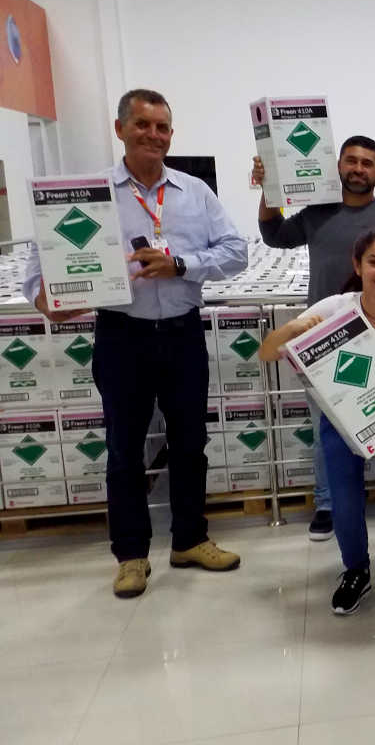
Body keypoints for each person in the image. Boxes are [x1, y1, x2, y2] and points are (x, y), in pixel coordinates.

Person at [22, 88, 248, 598]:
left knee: (191, 444)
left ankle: (190, 539)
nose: (153, 135)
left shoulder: (194, 192)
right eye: (143, 124)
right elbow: (39, 274)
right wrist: (48, 299)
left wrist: (182, 264)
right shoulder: (88, 193)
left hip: (184, 334)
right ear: (119, 128)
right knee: (125, 451)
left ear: (172, 135)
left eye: (162, 127)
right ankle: (131, 556)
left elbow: (236, 252)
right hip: (122, 337)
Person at [259, 229, 375, 614]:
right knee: (344, 497)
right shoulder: (335, 308)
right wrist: (295, 329)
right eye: (374, 262)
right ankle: (355, 570)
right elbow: (267, 352)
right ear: (357, 266)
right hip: (343, 421)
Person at [254, 136, 375, 543]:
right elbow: (275, 235)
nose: (358, 168)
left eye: (367, 163)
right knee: (327, 428)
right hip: (324, 338)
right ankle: (328, 503)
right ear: (338, 167)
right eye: (351, 161)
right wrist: (268, 189)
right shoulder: (316, 213)